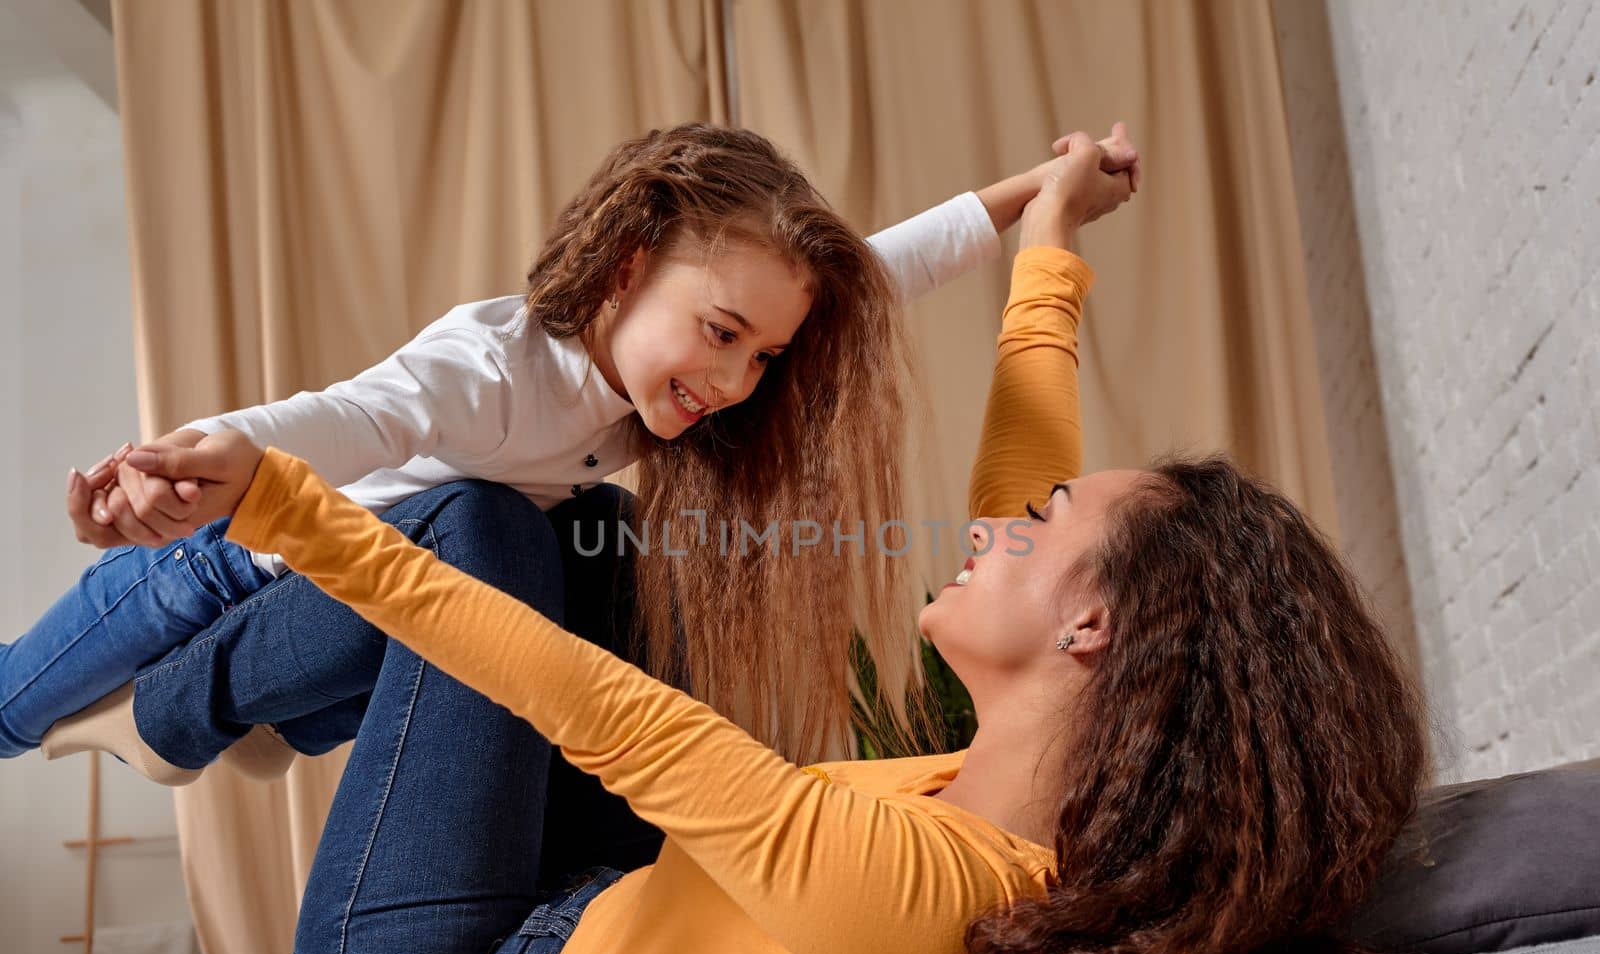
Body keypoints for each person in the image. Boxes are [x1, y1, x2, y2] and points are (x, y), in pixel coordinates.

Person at [116, 132, 1428, 954]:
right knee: (593, 536)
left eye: (1040, 528)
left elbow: (606, 714)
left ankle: (178, 705)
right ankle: (238, 694)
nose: (999, 524)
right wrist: (1048, 237)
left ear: (1093, 626)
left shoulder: (925, 886)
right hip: (584, 891)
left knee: (476, 522)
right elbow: (1027, 470)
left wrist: (277, 497)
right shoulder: (1033, 828)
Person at [0, 123, 1138, 776]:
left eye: (763, 358)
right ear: (628, 267)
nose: (736, 383)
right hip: (204, 572)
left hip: (336, 617)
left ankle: (215, 717)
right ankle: (140, 708)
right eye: (722, 335)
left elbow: (879, 270)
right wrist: (212, 453)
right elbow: (354, 414)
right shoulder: (495, 363)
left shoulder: (640, 405)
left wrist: (1037, 197)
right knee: (12, 702)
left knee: (525, 571)